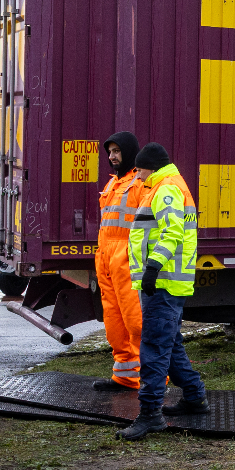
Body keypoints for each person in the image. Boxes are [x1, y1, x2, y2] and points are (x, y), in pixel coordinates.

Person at [117, 141, 207, 439]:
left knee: (154, 347)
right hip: (170, 281)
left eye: (139, 170)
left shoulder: (165, 188)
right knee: (170, 344)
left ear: (150, 167)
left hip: (163, 282)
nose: (137, 175)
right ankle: (194, 397)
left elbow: (172, 231)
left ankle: (150, 415)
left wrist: (153, 266)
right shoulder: (169, 185)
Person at [92, 132, 145, 392]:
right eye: (110, 152)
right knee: (114, 322)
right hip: (107, 258)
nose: (112, 156)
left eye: (117, 151)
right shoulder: (113, 183)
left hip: (127, 259)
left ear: (129, 151)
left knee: (136, 322)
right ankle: (125, 376)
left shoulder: (140, 183)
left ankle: (151, 380)